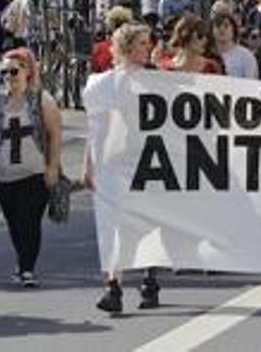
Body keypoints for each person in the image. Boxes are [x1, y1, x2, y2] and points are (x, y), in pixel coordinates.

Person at [84, 22, 163, 314]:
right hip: (112, 162)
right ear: (128, 46)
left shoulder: (157, 81)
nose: (149, 47)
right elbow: (96, 128)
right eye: (143, 43)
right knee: (110, 225)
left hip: (148, 161)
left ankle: (149, 279)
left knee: (147, 222)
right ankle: (113, 287)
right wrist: (88, 163)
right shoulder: (105, 83)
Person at [0, 48, 63, 287]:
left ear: (27, 72)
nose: (9, 76)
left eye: (14, 71)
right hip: (3, 176)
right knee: (14, 223)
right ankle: (22, 262)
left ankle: (27, 268)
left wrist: (53, 166)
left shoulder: (42, 101)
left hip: (34, 173)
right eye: (4, 72)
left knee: (29, 221)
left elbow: (54, 134)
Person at [213, 12, 258, 78]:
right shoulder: (205, 54)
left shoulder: (246, 57)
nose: (221, 29)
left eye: (226, 26)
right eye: (218, 25)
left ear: (233, 30)